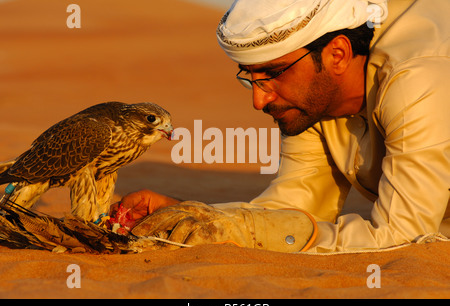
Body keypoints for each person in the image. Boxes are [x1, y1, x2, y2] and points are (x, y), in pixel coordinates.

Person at [112, 0, 450, 253]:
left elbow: (403, 239)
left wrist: (239, 230)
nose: (259, 101)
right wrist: (191, 215)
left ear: (337, 54)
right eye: (250, 78)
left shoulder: (417, 78)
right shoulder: (313, 101)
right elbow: (295, 210)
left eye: (273, 73)